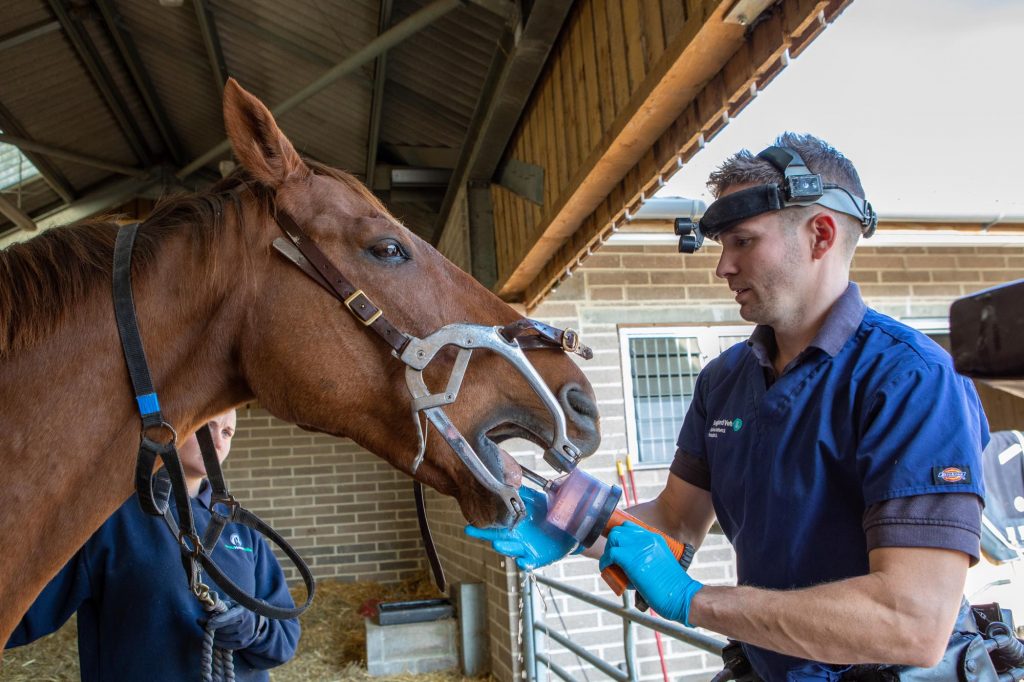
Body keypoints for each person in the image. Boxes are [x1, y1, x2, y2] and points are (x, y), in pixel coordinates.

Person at [467, 133, 989, 681]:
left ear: (821, 235)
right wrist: (561, 520)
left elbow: (910, 622)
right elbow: (675, 521)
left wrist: (693, 600)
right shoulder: (726, 379)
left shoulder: (912, 379)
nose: (724, 268)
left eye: (742, 241)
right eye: (721, 246)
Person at [6, 409, 300, 681]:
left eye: (227, 432)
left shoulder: (243, 532)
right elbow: (24, 613)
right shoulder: (110, 519)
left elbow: (286, 638)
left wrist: (254, 629)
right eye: (208, 426)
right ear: (176, 427)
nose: (218, 442)